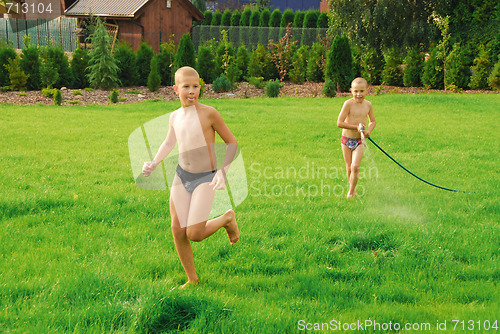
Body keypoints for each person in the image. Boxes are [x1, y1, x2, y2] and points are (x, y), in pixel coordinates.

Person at [142, 66, 239, 288]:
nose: (192, 91)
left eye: (196, 86)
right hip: (181, 176)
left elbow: (231, 143)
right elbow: (169, 142)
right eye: (186, 87)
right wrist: (154, 163)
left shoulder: (209, 113)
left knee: (194, 233)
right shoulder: (174, 117)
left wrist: (223, 172)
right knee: (177, 229)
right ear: (176, 89)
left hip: (205, 177)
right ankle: (192, 279)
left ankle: (226, 219)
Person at [337, 77, 376, 198]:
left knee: (355, 167)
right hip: (346, 140)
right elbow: (339, 123)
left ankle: (351, 192)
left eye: (362, 91)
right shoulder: (348, 104)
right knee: (349, 168)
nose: (359, 94)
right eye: (356, 91)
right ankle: (353, 190)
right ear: (351, 91)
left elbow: (372, 121)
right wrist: (355, 128)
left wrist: (368, 130)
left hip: (359, 141)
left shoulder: (368, 105)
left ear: (367, 90)